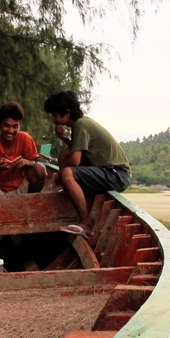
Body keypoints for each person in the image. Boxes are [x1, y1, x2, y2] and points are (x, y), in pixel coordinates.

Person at [43, 90, 131, 236]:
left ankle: (86, 223)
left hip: (117, 174)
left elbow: (76, 161)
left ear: (67, 113)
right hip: (107, 171)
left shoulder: (81, 126)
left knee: (67, 172)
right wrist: (64, 139)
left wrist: (59, 175)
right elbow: (76, 152)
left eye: (55, 115)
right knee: (65, 153)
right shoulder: (82, 123)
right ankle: (71, 191)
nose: (53, 119)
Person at [0, 101, 48, 196]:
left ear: (20, 126)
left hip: (21, 190)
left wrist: (25, 162)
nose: (10, 131)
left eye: (15, 126)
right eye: (7, 126)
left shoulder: (25, 138)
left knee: (40, 168)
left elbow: (33, 162)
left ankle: (31, 204)